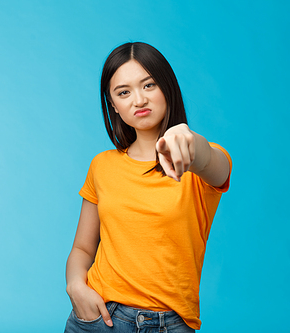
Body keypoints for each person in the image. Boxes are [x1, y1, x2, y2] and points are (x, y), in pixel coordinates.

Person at [64, 42, 232, 333]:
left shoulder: (196, 165)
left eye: (149, 85)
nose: (139, 100)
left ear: (167, 88)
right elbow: (82, 247)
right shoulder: (101, 166)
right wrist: (76, 286)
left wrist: (189, 143)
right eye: (124, 92)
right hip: (100, 317)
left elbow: (213, 164)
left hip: (170, 324)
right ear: (113, 105)